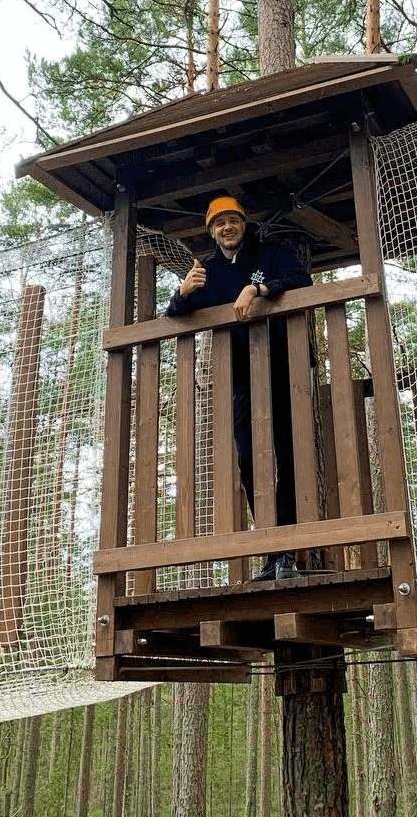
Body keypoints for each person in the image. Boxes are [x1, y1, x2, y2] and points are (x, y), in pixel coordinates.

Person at [166, 196, 312, 581]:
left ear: (243, 224)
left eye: (232, 221)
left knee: (288, 456)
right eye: (219, 224)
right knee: (249, 461)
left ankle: (288, 553)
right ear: (211, 231)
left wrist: (258, 289)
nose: (226, 228)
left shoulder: (272, 253)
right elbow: (175, 315)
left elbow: (302, 281)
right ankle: (269, 550)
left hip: (284, 368)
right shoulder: (209, 269)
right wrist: (182, 293)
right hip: (240, 376)